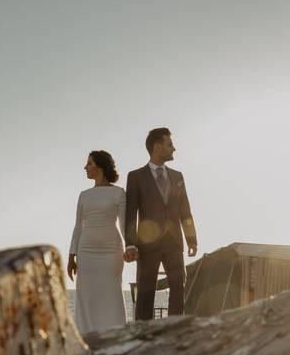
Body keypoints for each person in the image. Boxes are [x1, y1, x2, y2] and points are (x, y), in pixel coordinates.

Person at [124, 128, 197, 321]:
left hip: (174, 241)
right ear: (157, 147)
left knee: (178, 286)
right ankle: (143, 332)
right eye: (170, 144)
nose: (174, 149)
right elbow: (130, 213)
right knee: (145, 289)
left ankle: (174, 330)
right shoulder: (135, 176)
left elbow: (185, 210)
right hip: (147, 243)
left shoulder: (178, 176)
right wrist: (130, 244)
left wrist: (191, 239)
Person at [67, 150, 128, 333]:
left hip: (111, 252)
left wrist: (131, 246)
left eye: (89, 163)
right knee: (86, 298)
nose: (85, 167)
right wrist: (71, 256)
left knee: (112, 295)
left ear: (100, 167)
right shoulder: (84, 195)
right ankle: (87, 340)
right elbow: (78, 226)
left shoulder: (119, 193)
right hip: (86, 252)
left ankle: (116, 337)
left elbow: (125, 226)